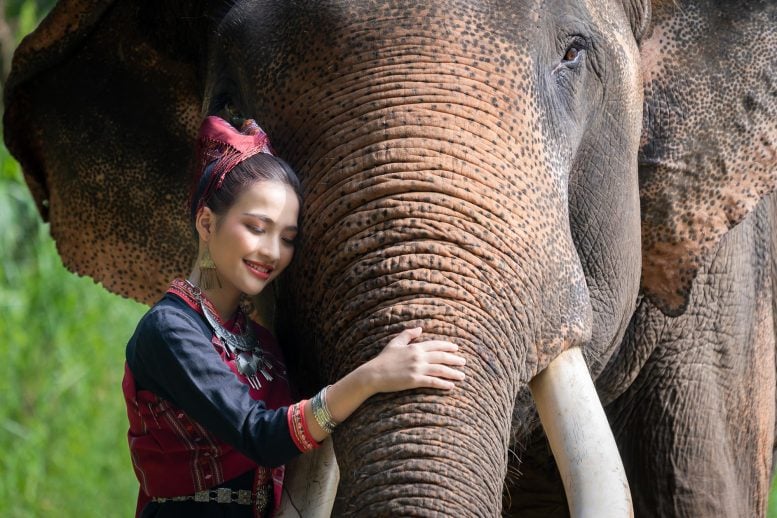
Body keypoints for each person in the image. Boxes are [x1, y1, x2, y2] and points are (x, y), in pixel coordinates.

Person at [122, 115, 467, 517]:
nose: (272, 252)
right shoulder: (169, 332)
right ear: (206, 222)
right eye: (256, 227)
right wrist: (372, 376)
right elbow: (262, 435)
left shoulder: (263, 343)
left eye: (287, 238)